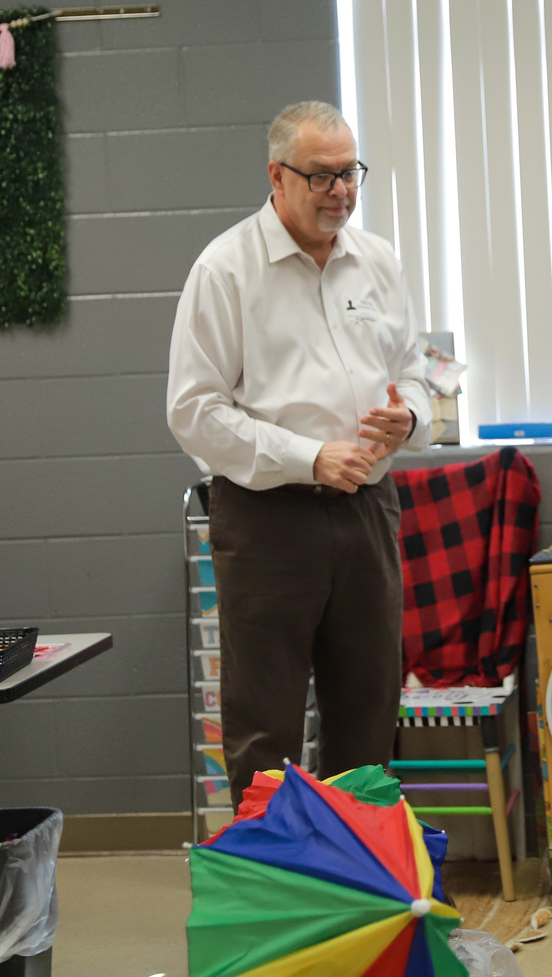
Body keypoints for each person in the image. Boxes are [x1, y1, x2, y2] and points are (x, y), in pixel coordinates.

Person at [166, 100, 432, 809]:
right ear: (276, 176)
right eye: (321, 177)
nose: (341, 192)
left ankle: (361, 899)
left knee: (369, 713)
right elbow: (193, 411)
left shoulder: (376, 261)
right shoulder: (225, 270)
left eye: (351, 173)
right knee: (265, 727)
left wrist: (412, 414)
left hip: (369, 510)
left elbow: (418, 368)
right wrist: (308, 456)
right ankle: (279, 896)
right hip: (266, 521)